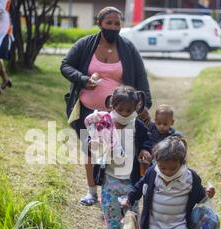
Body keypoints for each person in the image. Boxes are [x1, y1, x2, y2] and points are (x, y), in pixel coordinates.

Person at [60, 6, 152, 206]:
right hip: (88, 110)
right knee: (91, 149)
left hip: (119, 112)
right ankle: (92, 192)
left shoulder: (127, 48)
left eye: (117, 23)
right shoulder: (85, 44)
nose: (113, 26)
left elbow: (141, 77)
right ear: (99, 23)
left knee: (119, 150)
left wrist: (145, 104)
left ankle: (116, 190)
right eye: (109, 23)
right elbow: (65, 65)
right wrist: (83, 79)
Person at [96, 86, 153, 229]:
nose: (124, 114)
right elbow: (93, 139)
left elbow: (147, 140)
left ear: (136, 108)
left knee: (132, 203)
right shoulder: (105, 122)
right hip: (109, 174)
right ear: (112, 106)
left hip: (131, 176)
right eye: (120, 110)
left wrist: (145, 150)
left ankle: (131, 227)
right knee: (110, 204)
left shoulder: (137, 125)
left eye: (129, 110)